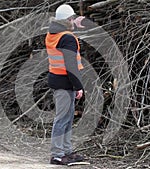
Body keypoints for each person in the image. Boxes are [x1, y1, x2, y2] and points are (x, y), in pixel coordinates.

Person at [45, 4, 86, 165]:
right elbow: (71, 66)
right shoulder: (67, 37)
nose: (74, 21)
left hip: (58, 80)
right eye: (72, 18)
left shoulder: (53, 33)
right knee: (62, 119)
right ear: (68, 19)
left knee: (67, 118)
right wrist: (78, 86)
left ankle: (66, 151)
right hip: (65, 82)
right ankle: (57, 154)